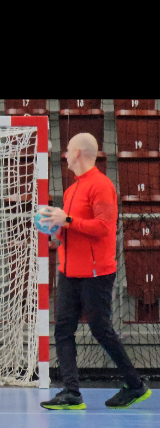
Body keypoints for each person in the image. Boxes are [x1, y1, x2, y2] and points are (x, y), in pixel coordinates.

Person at [39, 132, 152, 410]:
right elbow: (70, 228)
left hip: (95, 274)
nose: (65, 154)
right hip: (69, 272)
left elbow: (104, 227)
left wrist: (67, 219)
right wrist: (55, 228)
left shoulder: (101, 185)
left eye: (68, 149)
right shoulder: (71, 190)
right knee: (63, 330)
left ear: (78, 153)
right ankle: (71, 392)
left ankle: (135, 386)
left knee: (101, 329)